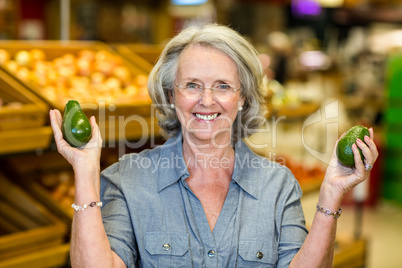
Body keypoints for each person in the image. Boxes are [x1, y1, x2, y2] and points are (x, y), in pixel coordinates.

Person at [49, 24, 378, 268]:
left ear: (243, 97)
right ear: (170, 95)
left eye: (222, 86)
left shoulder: (278, 185)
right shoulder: (126, 180)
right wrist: (85, 170)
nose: (206, 101)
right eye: (192, 85)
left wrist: (331, 194)